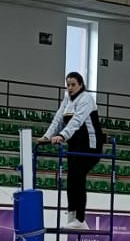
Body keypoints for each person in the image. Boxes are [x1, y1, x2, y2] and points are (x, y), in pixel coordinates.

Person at [40, 71, 104, 226]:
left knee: (78, 177)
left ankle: (80, 219)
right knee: (71, 179)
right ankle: (72, 214)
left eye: (73, 85)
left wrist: (62, 136)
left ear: (80, 84)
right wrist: (47, 136)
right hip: (75, 146)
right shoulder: (67, 100)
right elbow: (58, 119)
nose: (70, 88)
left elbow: (77, 120)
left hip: (91, 146)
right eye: (68, 85)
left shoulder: (86, 99)